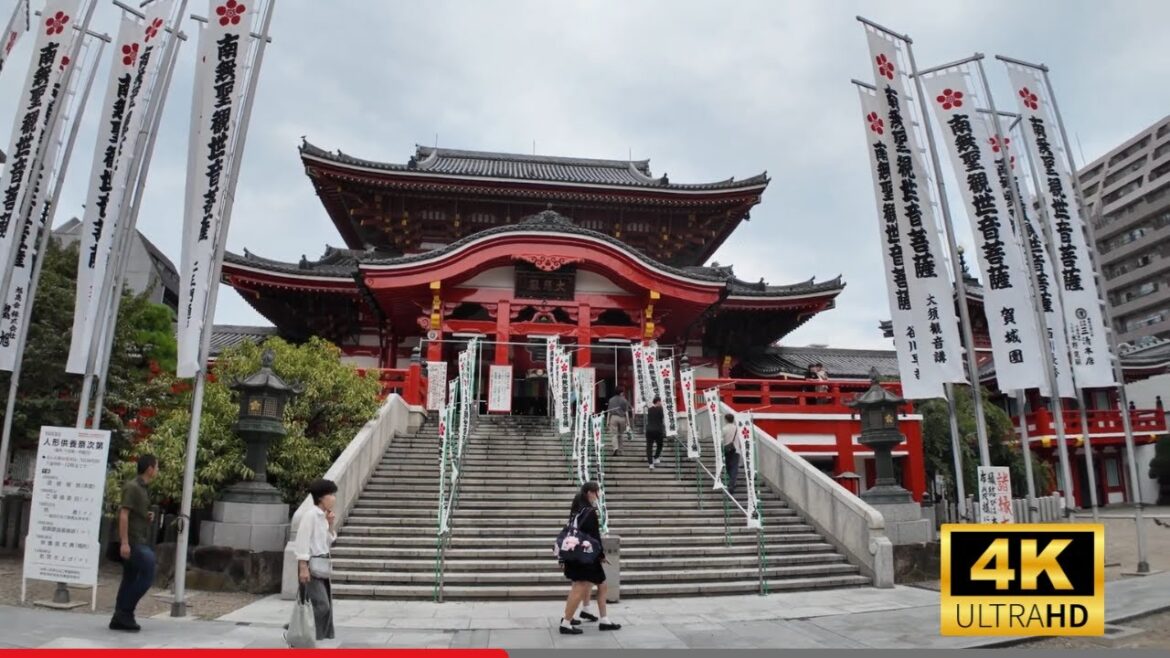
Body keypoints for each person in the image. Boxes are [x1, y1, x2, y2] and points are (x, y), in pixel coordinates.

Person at [559, 481, 620, 635]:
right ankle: (566, 622)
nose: (598, 495)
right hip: (586, 556)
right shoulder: (589, 511)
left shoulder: (578, 510)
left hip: (578, 555)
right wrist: (600, 555)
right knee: (580, 587)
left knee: (599, 584)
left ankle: (601, 619)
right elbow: (594, 536)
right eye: (597, 491)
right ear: (590, 493)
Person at [109, 454, 159, 632]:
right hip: (133, 541)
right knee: (148, 571)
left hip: (139, 537)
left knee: (130, 577)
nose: (158, 470)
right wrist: (124, 543)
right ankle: (125, 611)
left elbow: (135, 512)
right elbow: (124, 514)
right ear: (150, 469)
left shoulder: (143, 488)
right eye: (157, 467)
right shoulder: (132, 487)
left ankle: (120, 616)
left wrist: (147, 515)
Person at [293, 478, 339, 641]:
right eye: (331, 494)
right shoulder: (310, 516)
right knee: (322, 604)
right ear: (321, 497)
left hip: (322, 565)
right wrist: (303, 566)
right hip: (311, 565)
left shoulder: (323, 517)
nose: (333, 498)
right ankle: (301, 630)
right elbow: (302, 541)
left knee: (321, 603)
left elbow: (328, 541)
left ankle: (311, 635)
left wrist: (330, 524)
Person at [606, 387, 632, 456]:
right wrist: (628, 422)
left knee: (614, 434)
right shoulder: (624, 400)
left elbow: (609, 411)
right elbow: (626, 412)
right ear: (621, 392)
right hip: (622, 418)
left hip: (613, 417)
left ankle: (615, 448)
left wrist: (607, 420)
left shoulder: (611, 400)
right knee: (620, 435)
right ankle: (620, 450)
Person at [721, 413, 742, 495]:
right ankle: (732, 483)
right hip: (736, 451)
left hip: (727, 450)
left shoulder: (724, 429)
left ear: (726, 419)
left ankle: (732, 483)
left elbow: (721, 440)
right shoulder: (737, 429)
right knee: (734, 467)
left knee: (728, 467)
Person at [645, 396, 665, 469]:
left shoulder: (650, 410)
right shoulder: (660, 409)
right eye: (660, 401)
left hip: (649, 430)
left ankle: (650, 464)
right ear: (658, 401)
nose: (661, 403)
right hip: (658, 430)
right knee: (660, 445)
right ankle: (655, 458)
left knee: (649, 447)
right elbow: (662, 418)